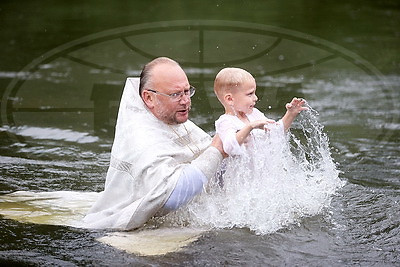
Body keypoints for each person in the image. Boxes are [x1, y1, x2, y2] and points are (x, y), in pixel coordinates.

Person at [83, 57, 225, 230]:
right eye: (176, 94)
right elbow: (171, 197)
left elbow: (212, 165)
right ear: (149, 98)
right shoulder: (142, 139)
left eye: (187, 91)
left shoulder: (169, 115)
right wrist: (217, 150)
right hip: (126, 231)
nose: (185, 101)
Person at [213, 67, 308, 156]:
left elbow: (276, 133)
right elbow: (230, 148)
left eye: (254, 93)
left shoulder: (254, 114)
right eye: (250, 94)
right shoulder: (225, 122)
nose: (256, 98)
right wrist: (250, 127)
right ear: (230, 99)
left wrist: (291, 114)